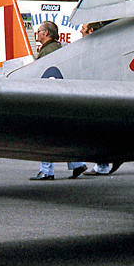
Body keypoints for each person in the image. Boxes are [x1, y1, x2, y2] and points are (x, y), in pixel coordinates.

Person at [30, 21, 85, 180]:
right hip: (63, 99)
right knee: (65, 133)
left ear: (46, 34)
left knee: (45, 133)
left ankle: (46, 171)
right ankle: (77, 164)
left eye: (39, 31)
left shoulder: (48, 52)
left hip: (50, 100)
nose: (37, 33)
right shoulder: (59, 48)